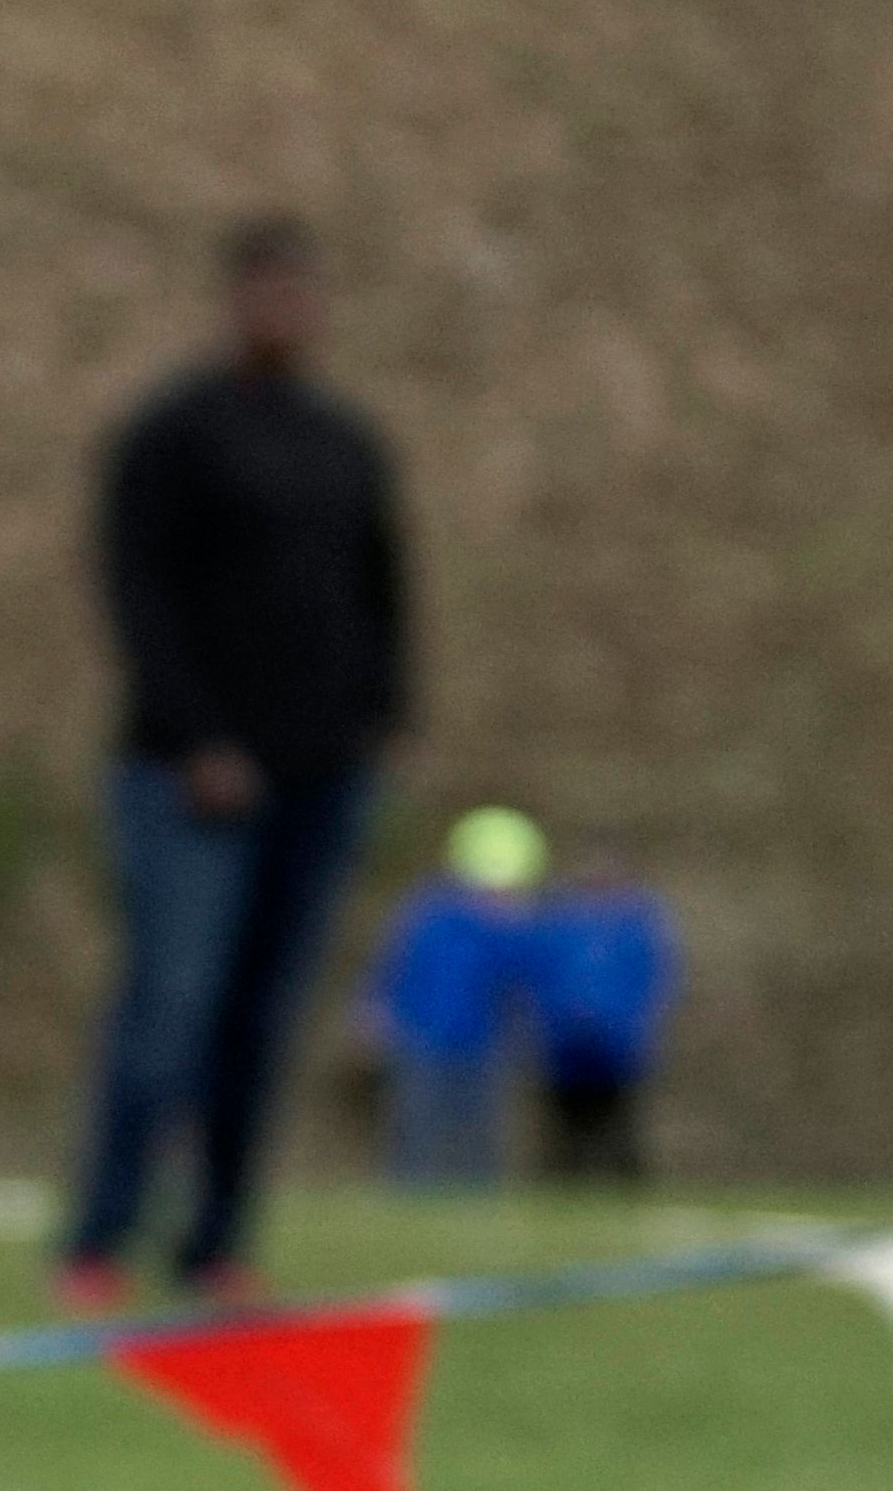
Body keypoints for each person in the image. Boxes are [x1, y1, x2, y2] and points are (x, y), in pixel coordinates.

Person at [61, 213, 413, 1306]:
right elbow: (137, 591)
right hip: (191, 782)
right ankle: (98, 1239)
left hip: (319, 777)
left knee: (263, 1022)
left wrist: (381, 720)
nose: (289, 314)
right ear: (237, 300)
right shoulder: (175, 434)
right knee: (172, 1005)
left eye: (306, 295)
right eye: (271, 293)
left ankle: (216, 1245)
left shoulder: (345, 442)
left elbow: (383, 590)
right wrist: (196, 739)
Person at [367, 805, 544, 1186]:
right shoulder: (429, 912)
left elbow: (527, 983)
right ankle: (409, 1198)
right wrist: (376, 1013)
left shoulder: (517, 926)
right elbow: (393, 966)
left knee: (478, 1135)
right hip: (423, 1037)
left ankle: (475, 1204)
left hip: (484, 1043)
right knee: (417, 1130)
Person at [527, 840, 678, 1180]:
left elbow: (652, 981)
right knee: (565, 1126)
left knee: (618, 1123)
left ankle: (624, 1189)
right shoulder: (559, 919)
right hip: (565, 1045)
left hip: (617, 1045)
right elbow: (539, 974)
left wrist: (629, 1027)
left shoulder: (638, 922)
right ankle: (563, 1188)